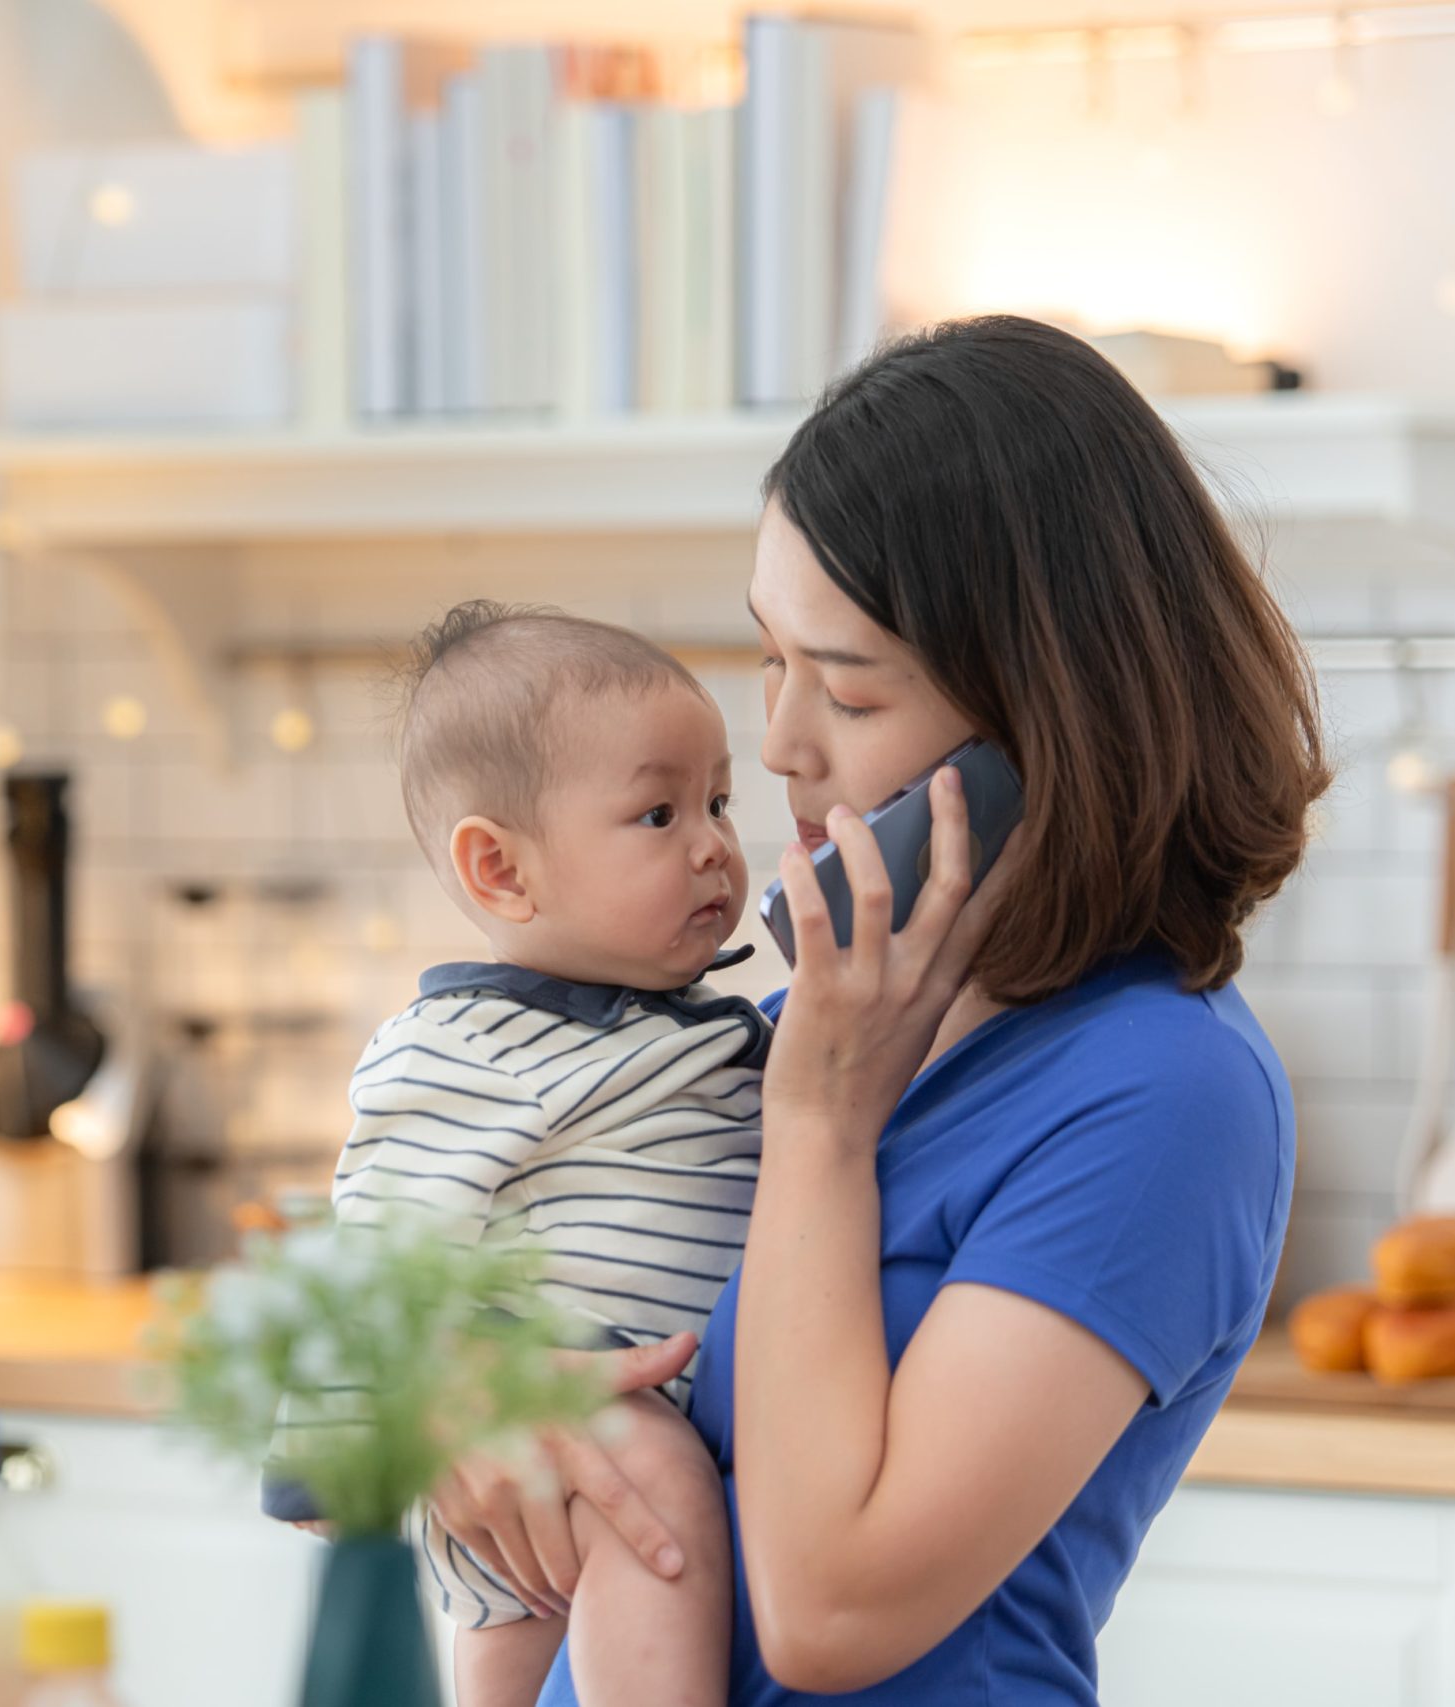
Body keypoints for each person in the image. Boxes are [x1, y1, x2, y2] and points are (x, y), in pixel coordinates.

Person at [428, 315, 1330, 1706]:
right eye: (770, 659)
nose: (781, 742)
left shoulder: (1165, 1090)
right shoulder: (823, 1028)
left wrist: (820, 1126)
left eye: (846, 687)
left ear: (1048, 723)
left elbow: (831, 1610)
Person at [264, 602, 771, 1707]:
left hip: (599, 1428)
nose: (712, 843)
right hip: (561, 1414)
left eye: (719, 802)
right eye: (656, 812)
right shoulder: (466, 1049)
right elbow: (379, 1243)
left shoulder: (708, 1032)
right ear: (500, 869)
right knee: (659, 1487)